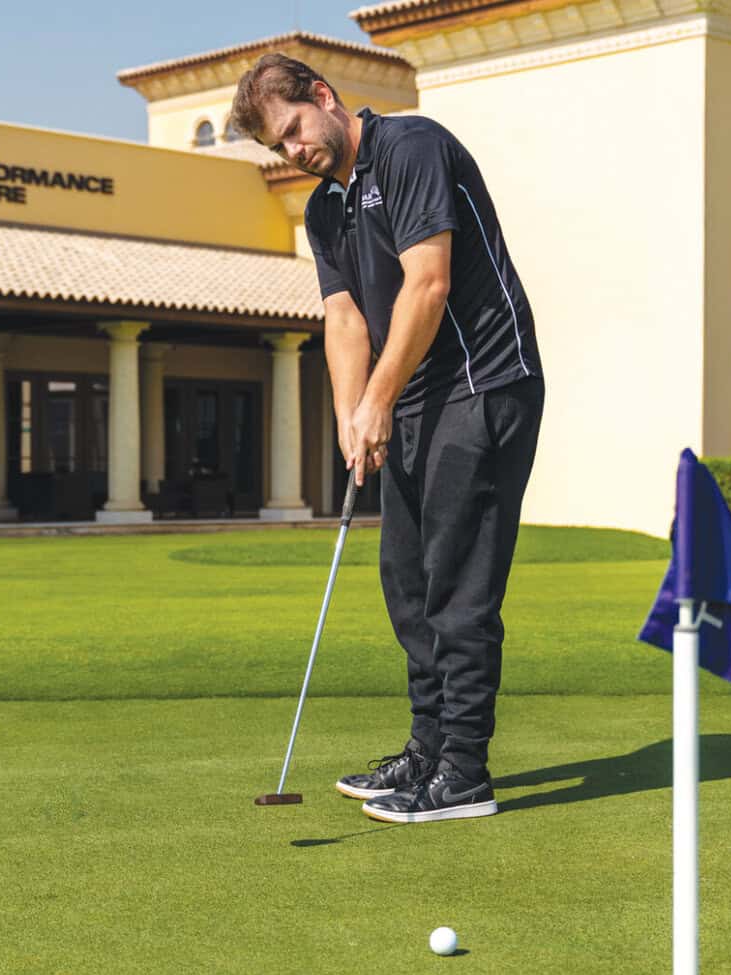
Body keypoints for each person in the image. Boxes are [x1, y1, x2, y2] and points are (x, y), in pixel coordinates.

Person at [231, 54, 545, 824]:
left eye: (294, 131)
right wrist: (352, 414)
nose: (294, 152)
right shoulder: (323, 210)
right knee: (406, 580)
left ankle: (463, 773)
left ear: (324, 96)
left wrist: (378, 397)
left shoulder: (411, 148)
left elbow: (427, 283)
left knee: (457, 585)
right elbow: (344, 318)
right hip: (411, 401)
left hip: (483, 383)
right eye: (278, 147)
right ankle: (427, 749)